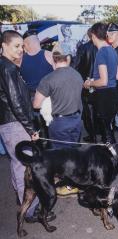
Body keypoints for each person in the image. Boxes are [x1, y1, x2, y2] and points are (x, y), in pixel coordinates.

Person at [0, 30, 55, 222]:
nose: (20, 50)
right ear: (4, 46)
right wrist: (31, 129)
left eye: (22, 46)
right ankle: (31, 210)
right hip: (14, 123)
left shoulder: (7, 66)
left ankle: (24, 202)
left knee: (18, 163)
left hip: (11, 122)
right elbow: (16, 102)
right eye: (16, 46)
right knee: (24, 166)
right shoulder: (7, 68)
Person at [33, 43, 83, 197]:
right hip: (76, 120)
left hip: (60, 123)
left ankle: (68, 186)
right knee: (73, 153)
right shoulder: (77, 75)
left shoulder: (48, 79)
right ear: (68, 58)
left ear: (53, 59)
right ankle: (75, 182)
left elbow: (36, 104)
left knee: (62, 157)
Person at [84, 22, 118, 144]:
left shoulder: (101, 52)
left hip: (104, 97)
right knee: (109, 131)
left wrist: (90, 83)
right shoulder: (113, 50)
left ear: (94, 35)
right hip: (113, 94)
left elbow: (103, 81)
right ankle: (115, 156)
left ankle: (113, 159)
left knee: (107, 136)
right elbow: (117, 76)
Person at [20, 29, 54, 149]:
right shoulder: (49, 55)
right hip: (49, 98)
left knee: (39, 129)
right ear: (38, 41)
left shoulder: (20, 60)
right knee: (50, 127)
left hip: (33, 99)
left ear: (26, 44)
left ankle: (43, 155)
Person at [73, 27, 98, 143]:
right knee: (97, 110)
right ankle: (100, 135)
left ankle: (93, 136)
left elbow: (76, 66)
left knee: (88, 112)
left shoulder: (83, 48)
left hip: (86, 84)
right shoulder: (103, 48)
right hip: (100, 83)